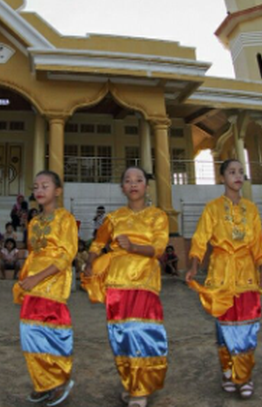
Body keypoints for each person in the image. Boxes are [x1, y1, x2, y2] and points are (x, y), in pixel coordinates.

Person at [82, 167, 169, 407]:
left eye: (138, 180)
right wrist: (90, 262)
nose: (133, 184)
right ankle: (132, 384)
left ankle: (141, 389)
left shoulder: (157, 216)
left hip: (145, 282)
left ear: (146, 186)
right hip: (117, 283)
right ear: (122, 188)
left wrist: (133, 248)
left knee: (142, 333)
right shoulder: (114, 218)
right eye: (128, 180)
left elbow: (158, 249)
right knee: (120, 336)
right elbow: (97, 242)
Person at [185, 159, 262, 399]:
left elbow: (257, 244)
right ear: (223, 178)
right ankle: (227, 370)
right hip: (221, 273)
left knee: (248, 326)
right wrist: (193, 266)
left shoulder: (251, 210)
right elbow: (200, 240)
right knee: (225, 327)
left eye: (241, 172)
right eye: (232, 172)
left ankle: (244, 376)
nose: (238, 176)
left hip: (246, 275)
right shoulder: (212, 208)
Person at [13, 171, 78, 406]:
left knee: (53, 332)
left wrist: (38, 277)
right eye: (36, 186)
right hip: (32, 283)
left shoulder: (65, 219)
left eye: (45, 186)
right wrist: (25, 278)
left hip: (53, 283)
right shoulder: (35, 221)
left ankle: (60, 380)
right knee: (29, 334)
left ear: (58, 191)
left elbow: (65, 256)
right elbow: (33, 253)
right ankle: (43, 382)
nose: (39, 190)